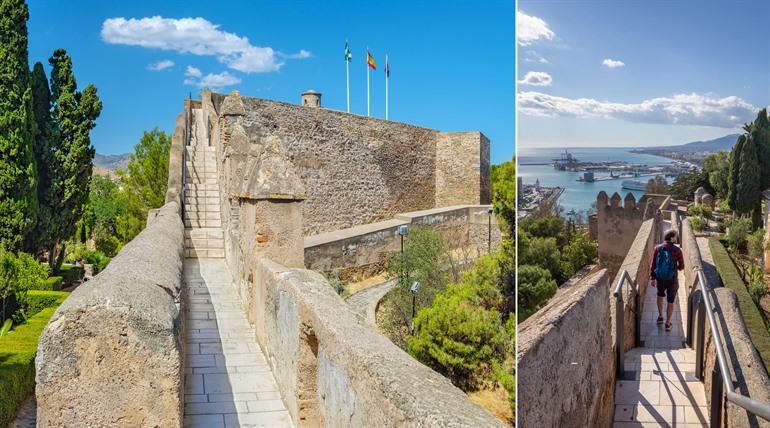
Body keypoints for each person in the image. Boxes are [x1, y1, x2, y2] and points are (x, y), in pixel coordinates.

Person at [650, 230, 685, 332]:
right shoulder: (677, 250)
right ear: (672, 238)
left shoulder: (658, 248)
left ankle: (660, 317)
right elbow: (681, 266)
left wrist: (652, 278)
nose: (676, 238)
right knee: (670, 301)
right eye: (675, 236)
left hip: (660, 278)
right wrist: (675, 267)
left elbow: (653, 264)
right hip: (672, 279)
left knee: (660, 295)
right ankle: (668, 323)